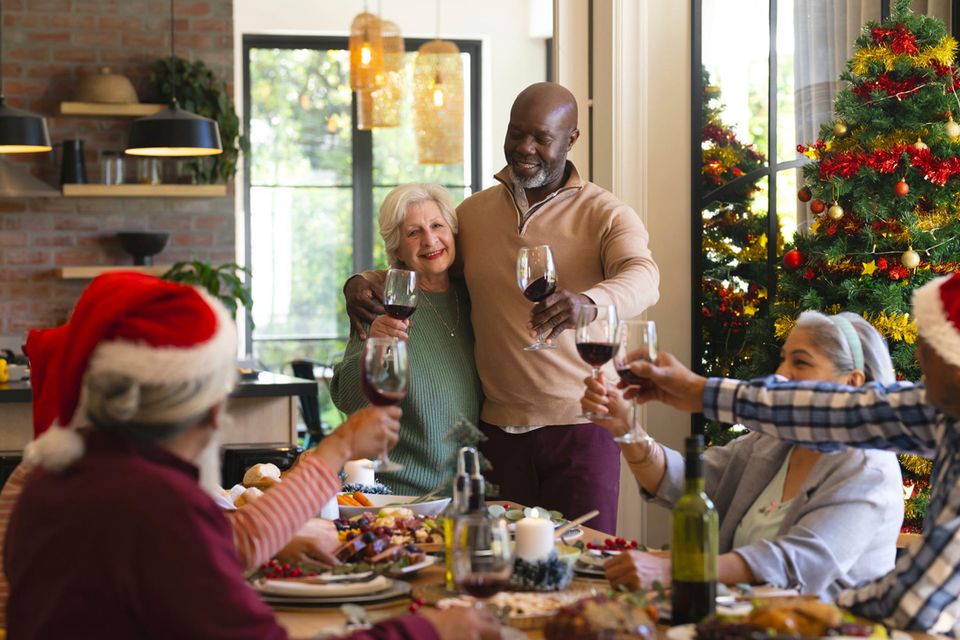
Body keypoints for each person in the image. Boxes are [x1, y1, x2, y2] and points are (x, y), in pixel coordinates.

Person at [4, 272, 500, 640]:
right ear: (192, 404)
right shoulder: (152, 505)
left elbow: (217, 545)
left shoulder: (61, 478)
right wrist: (430, 631)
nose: (221, 417)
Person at [345, 82, 660, 533]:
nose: (524, 148)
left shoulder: (606, 213)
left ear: (571, 139)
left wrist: (589, 303)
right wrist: (361, 281)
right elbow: (429, 264)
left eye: (541, 137)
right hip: (497, 431)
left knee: (582, 561)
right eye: (516, 133)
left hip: (580, 427)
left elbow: (645, 277)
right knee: (502, 567)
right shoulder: (472, 214)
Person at [623, 272, 960, 635]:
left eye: (927, 347)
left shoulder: (868, 465)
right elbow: (834, 411)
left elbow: (914, 603)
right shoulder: (940, 410)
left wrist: (687, 570)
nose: (918, 361)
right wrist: (696, 392)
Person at [581, 311, 903, 600]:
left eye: (800, 362)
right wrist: (626, 428)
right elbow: (689, 485)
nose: (781, 373)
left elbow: (796, 561)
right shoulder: (774, 440)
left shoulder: (868, 466)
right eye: (783, 359)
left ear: (852, 382)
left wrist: (678, 570)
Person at [331, 184, 482, 496]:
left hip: (469, 497)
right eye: (414, 232)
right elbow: (347, 398)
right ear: (397, 247)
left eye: (437, 226)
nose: (430, 240)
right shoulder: (382, 302)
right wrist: (375, 346)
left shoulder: (476, 299)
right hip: (401, 497)